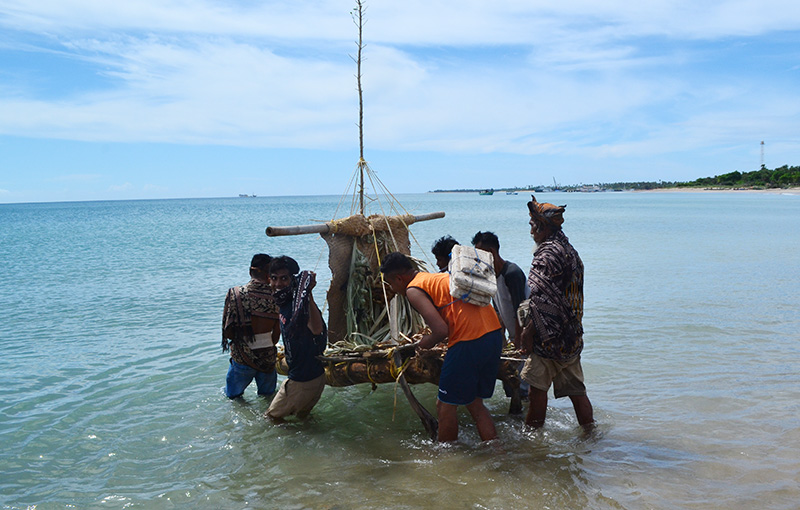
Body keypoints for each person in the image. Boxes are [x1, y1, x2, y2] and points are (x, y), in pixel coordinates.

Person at [380, 252, 503, 442]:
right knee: (475, 404)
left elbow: (440, 330)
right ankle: (497, 452)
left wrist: (420, 346)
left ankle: (447, 459)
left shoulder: (413, 289)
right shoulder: (436, 277)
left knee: (444, 405)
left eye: (391, 284)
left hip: (468, 341)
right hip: (493, 335)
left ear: (399, 278)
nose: (393, 289)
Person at [519, 195, 594, 430]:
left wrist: (528, 333)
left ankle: (533, 444)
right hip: (571, 336)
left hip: (549, 339)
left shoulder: (546, 255)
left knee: (536, 391)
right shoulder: (570, 250)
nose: (530, 230)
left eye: (532, 225)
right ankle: (591, 434)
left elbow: (540, 298)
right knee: (577, 392)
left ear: (542, 226)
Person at [265, 256, 327, 422]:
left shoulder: (301, 303)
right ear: (268, 279)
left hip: (303, 381)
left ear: (293, 279)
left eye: (284, 278)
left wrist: (309, 294)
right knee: (303, 420)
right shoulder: (286, 301)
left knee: (271, 419)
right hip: (313, 378)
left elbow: (317, 329)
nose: (278, 284)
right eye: (274, 278)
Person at [472, 231, 530, 402]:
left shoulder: (512, 273)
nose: (478, 258)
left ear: (491, 251)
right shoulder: (491, 276)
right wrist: (501, 340)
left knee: (523, 385)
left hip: (526, 336)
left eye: (480, 254)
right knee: (509, 380)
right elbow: (497, 308)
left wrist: (518, 339)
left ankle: (527, 422)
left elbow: (521, 309)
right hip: (513, 336)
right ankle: (517, 419)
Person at [221, 254, 281, 399]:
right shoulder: (277, 296)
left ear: (250, 272)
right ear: (269, 274)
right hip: (267, 357)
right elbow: (276, 335)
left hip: (242, 357)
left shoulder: (236, 294)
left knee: (233, 399)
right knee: (268, 398)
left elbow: (228, 332)